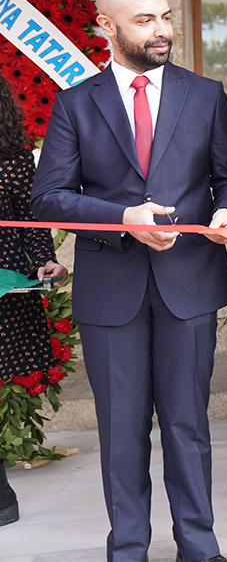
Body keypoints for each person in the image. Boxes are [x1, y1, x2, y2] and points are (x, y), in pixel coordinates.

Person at [31, 0, 227, 562]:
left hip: (190, 284)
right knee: (121, 433)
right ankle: (127, 549)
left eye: (166, 17)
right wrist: (123, 215)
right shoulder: (75, 104)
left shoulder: (204, 94)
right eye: (145, 20)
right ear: (106, 26)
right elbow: (48, 197)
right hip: (111, 290)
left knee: (187, 426)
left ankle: (199, 549)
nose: (162, 31)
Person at [0, 79, 67, 528]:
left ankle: (1, 492)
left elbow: (31, 219)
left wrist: (46, 261)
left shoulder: (16, 157)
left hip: (4, 286)